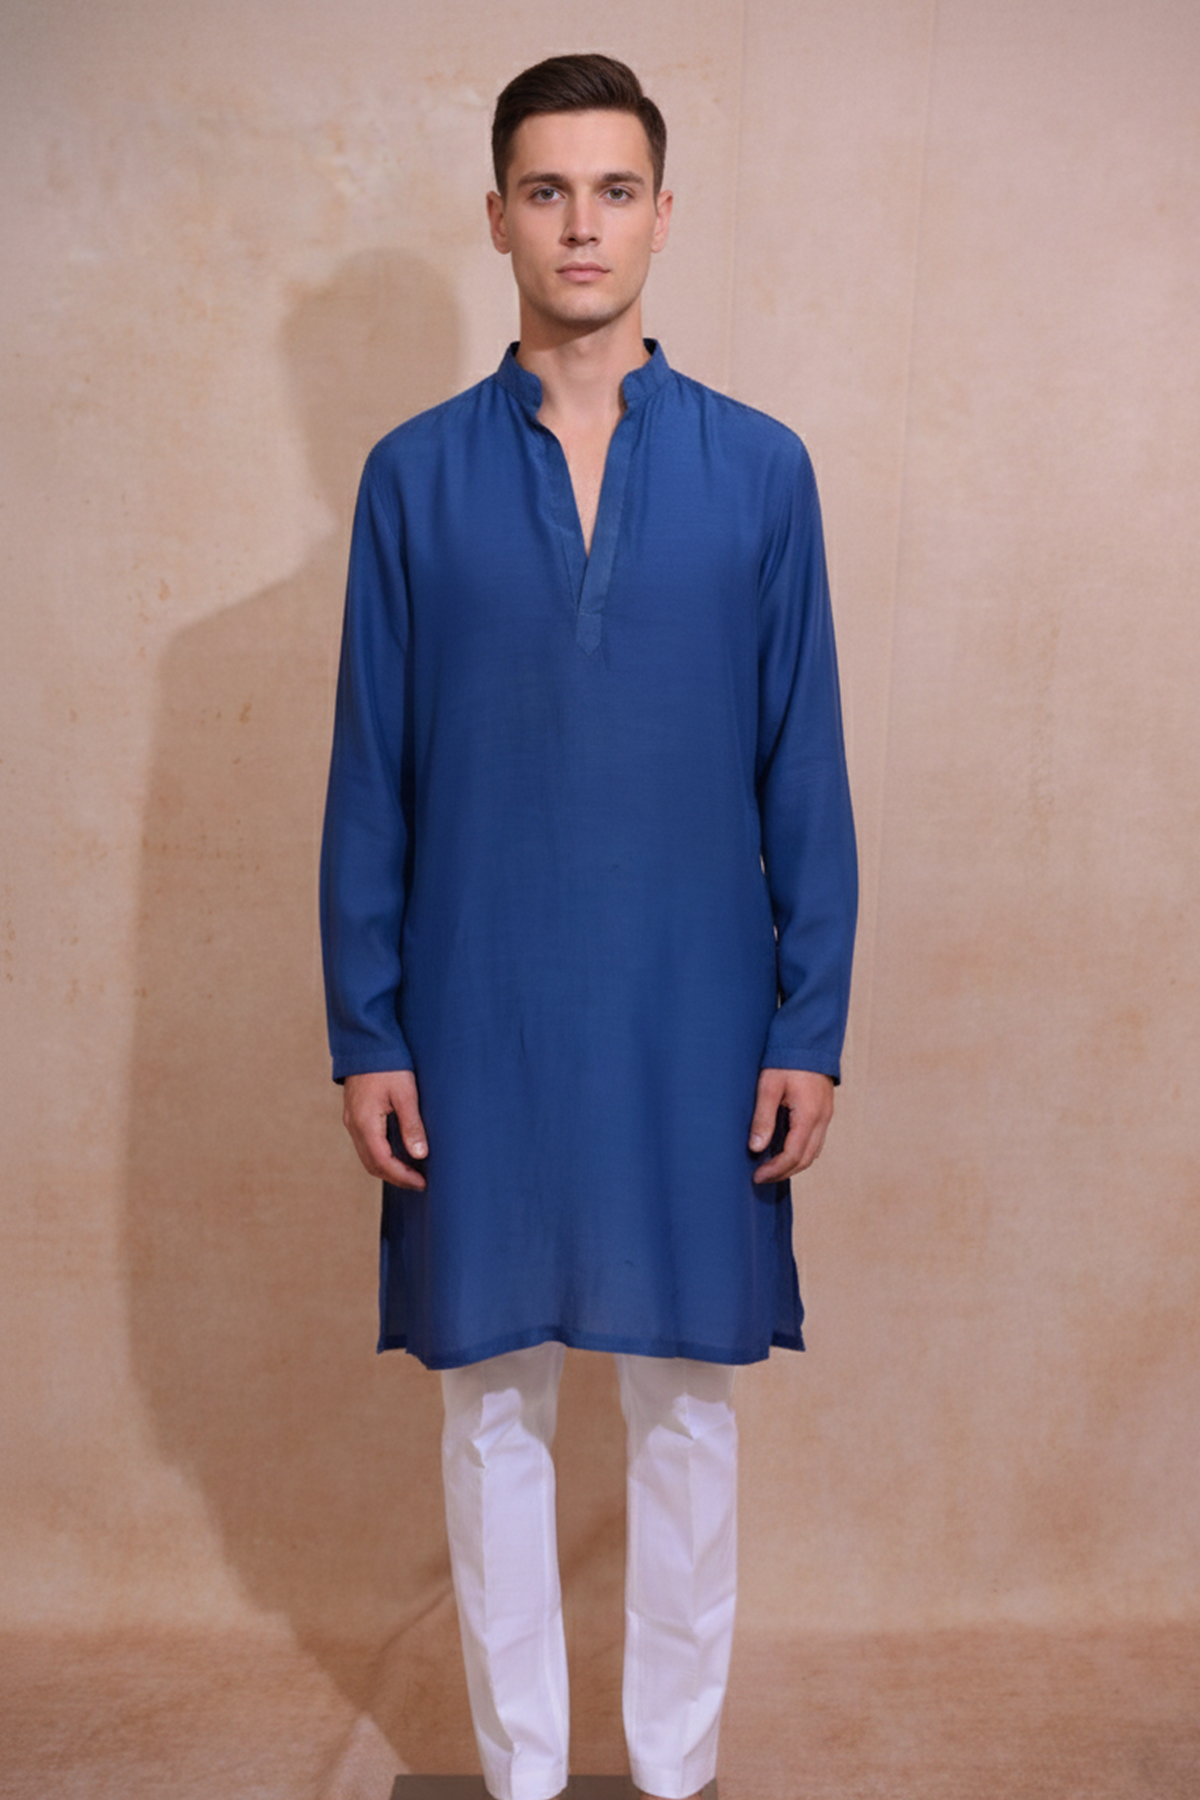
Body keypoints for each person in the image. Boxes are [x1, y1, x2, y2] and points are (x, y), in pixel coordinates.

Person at [320, 52, 857, 1800]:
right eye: (547, 190)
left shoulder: (761, 473)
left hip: (697, 1010)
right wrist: (368, 1027)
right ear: (496, 216)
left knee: (687, 1398)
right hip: (476, 1006)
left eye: (613, 190)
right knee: (490, 1400)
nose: (581, 224)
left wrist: (808, 1022)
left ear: (662, 215)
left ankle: (678, 1768)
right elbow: (372, 774)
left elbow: (804, 767)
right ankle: (526, 1774)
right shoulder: (412, 481)